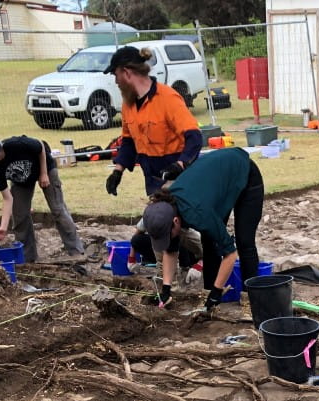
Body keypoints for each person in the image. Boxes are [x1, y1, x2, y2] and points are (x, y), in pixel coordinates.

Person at [141, 147, 264, 310]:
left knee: (244, 241)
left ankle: (250, 301)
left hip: (244, 172)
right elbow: (170, 251)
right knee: (209, 241)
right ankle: (208, 297)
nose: (167, 240)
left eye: (167, 236)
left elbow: (230, 254)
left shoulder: (198, 214)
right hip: (217, 184)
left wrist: (217, 291)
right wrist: (166, 288)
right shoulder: (167, 208)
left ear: (176, 221)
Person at [103, 45, 203, 198]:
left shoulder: (168, 98)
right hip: (152, 178)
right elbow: (129, 142)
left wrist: (180, 164)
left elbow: (194, 137)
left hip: (178, 178)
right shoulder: (128, 105)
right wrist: (117, 171)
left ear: (127, 72)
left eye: (116, 75)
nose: (116, 81)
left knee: (172, 218)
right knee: (158, 219)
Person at [0, 134, 84, 263]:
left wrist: (44, 173)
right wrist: (3, 227)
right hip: (21, 180)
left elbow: (40, 146)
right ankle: (28, 257)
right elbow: (7, 198)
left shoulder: (15, 144)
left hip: (44, 168)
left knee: (58, 209)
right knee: (20, 215)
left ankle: (76, 251)